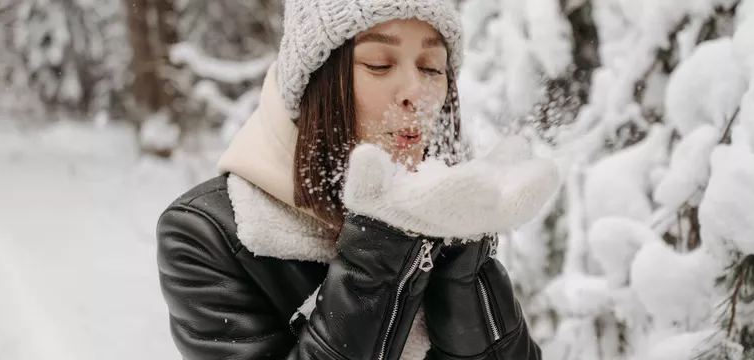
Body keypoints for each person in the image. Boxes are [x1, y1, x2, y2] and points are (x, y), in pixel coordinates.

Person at [155, 1, 560, 359]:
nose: (415, 92)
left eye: (431, 67)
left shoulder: (443, 212)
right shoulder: (207, 235)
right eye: (379, 65)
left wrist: (464, 264)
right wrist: (382, 246)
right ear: (317, 79)